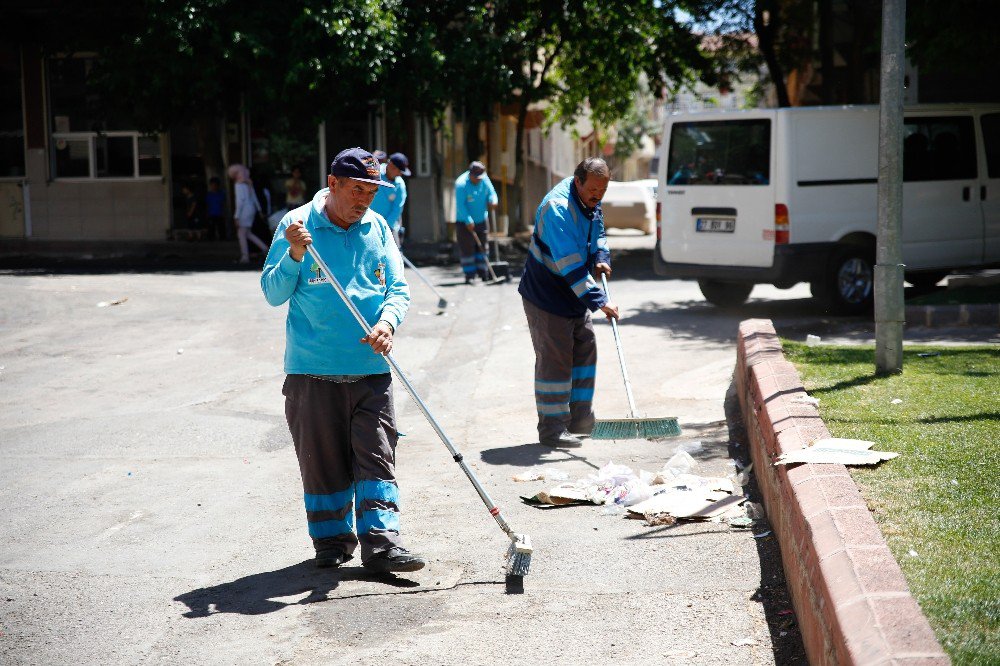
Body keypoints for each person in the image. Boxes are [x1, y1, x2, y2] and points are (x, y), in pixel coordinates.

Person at [260, 147, 426, 574]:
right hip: (311, 373)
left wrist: (388, 323)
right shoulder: (296, 226)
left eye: (371, 192)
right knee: (323, 463)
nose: (363, 201)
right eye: (357, 191)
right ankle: (331, 542)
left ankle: (383, 546)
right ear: (332, 184)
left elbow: (398, 290)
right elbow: (273, 293)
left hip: (371, 370)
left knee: (377, 458)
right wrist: (294, 255)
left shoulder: (377, 227)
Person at [518, 157, 619, 448]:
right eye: (594, 189)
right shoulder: (557, 209)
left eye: (603, 189)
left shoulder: (590, 199)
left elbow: (597, 231)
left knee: (585, 349)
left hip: (573, 293)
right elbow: (570, 265)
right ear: (578, 182)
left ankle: (580, 420)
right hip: (547, 294)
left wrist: (601, 258)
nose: (598, 195)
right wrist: (601, 301)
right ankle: (552, 430)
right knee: (556, 361)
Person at [454, 161, 498, 283]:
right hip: (464, 221)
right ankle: (470, 276)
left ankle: (484, 273)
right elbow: (460, 205)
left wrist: (493, 200)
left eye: (480, 178)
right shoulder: (461, 184)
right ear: (470, 174)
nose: (478, 180)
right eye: (476, 178)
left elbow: (492, 193)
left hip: (481, 219)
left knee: (483, 247)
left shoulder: (484, 179)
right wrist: (468, 220)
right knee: (467, 248)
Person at [228, 163, 270, 264]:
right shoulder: (249, 183)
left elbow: (240, 201)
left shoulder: (238, 185)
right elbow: (254, 198)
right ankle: (266, 250)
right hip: (251, 210)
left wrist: (236, 216)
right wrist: (259, 210)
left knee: (241, 233)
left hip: (244, 211)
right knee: (248, 233)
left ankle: (245, 257)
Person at [370, 152, 411, 248]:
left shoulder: (400, 185)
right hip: (368, 222)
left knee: (395, 255)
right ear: (391, 165)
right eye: (399, 170)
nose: (400, 174)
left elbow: (397, 209)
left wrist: (385, 226)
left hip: (388, 226)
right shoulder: (375, 172)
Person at [205, 176, 227, 241]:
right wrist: (207, 213)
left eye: (215, 185)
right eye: (212, 185)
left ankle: (222, 238)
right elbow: (207, 205)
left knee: (221, 227)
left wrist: (224, 213)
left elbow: (223, 204)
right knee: (211, 228)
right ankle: (211, 238)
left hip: (219, 213)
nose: (213, 186)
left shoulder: (221, 194)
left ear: (218, 185)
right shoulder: (209, 195)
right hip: (211, 214)